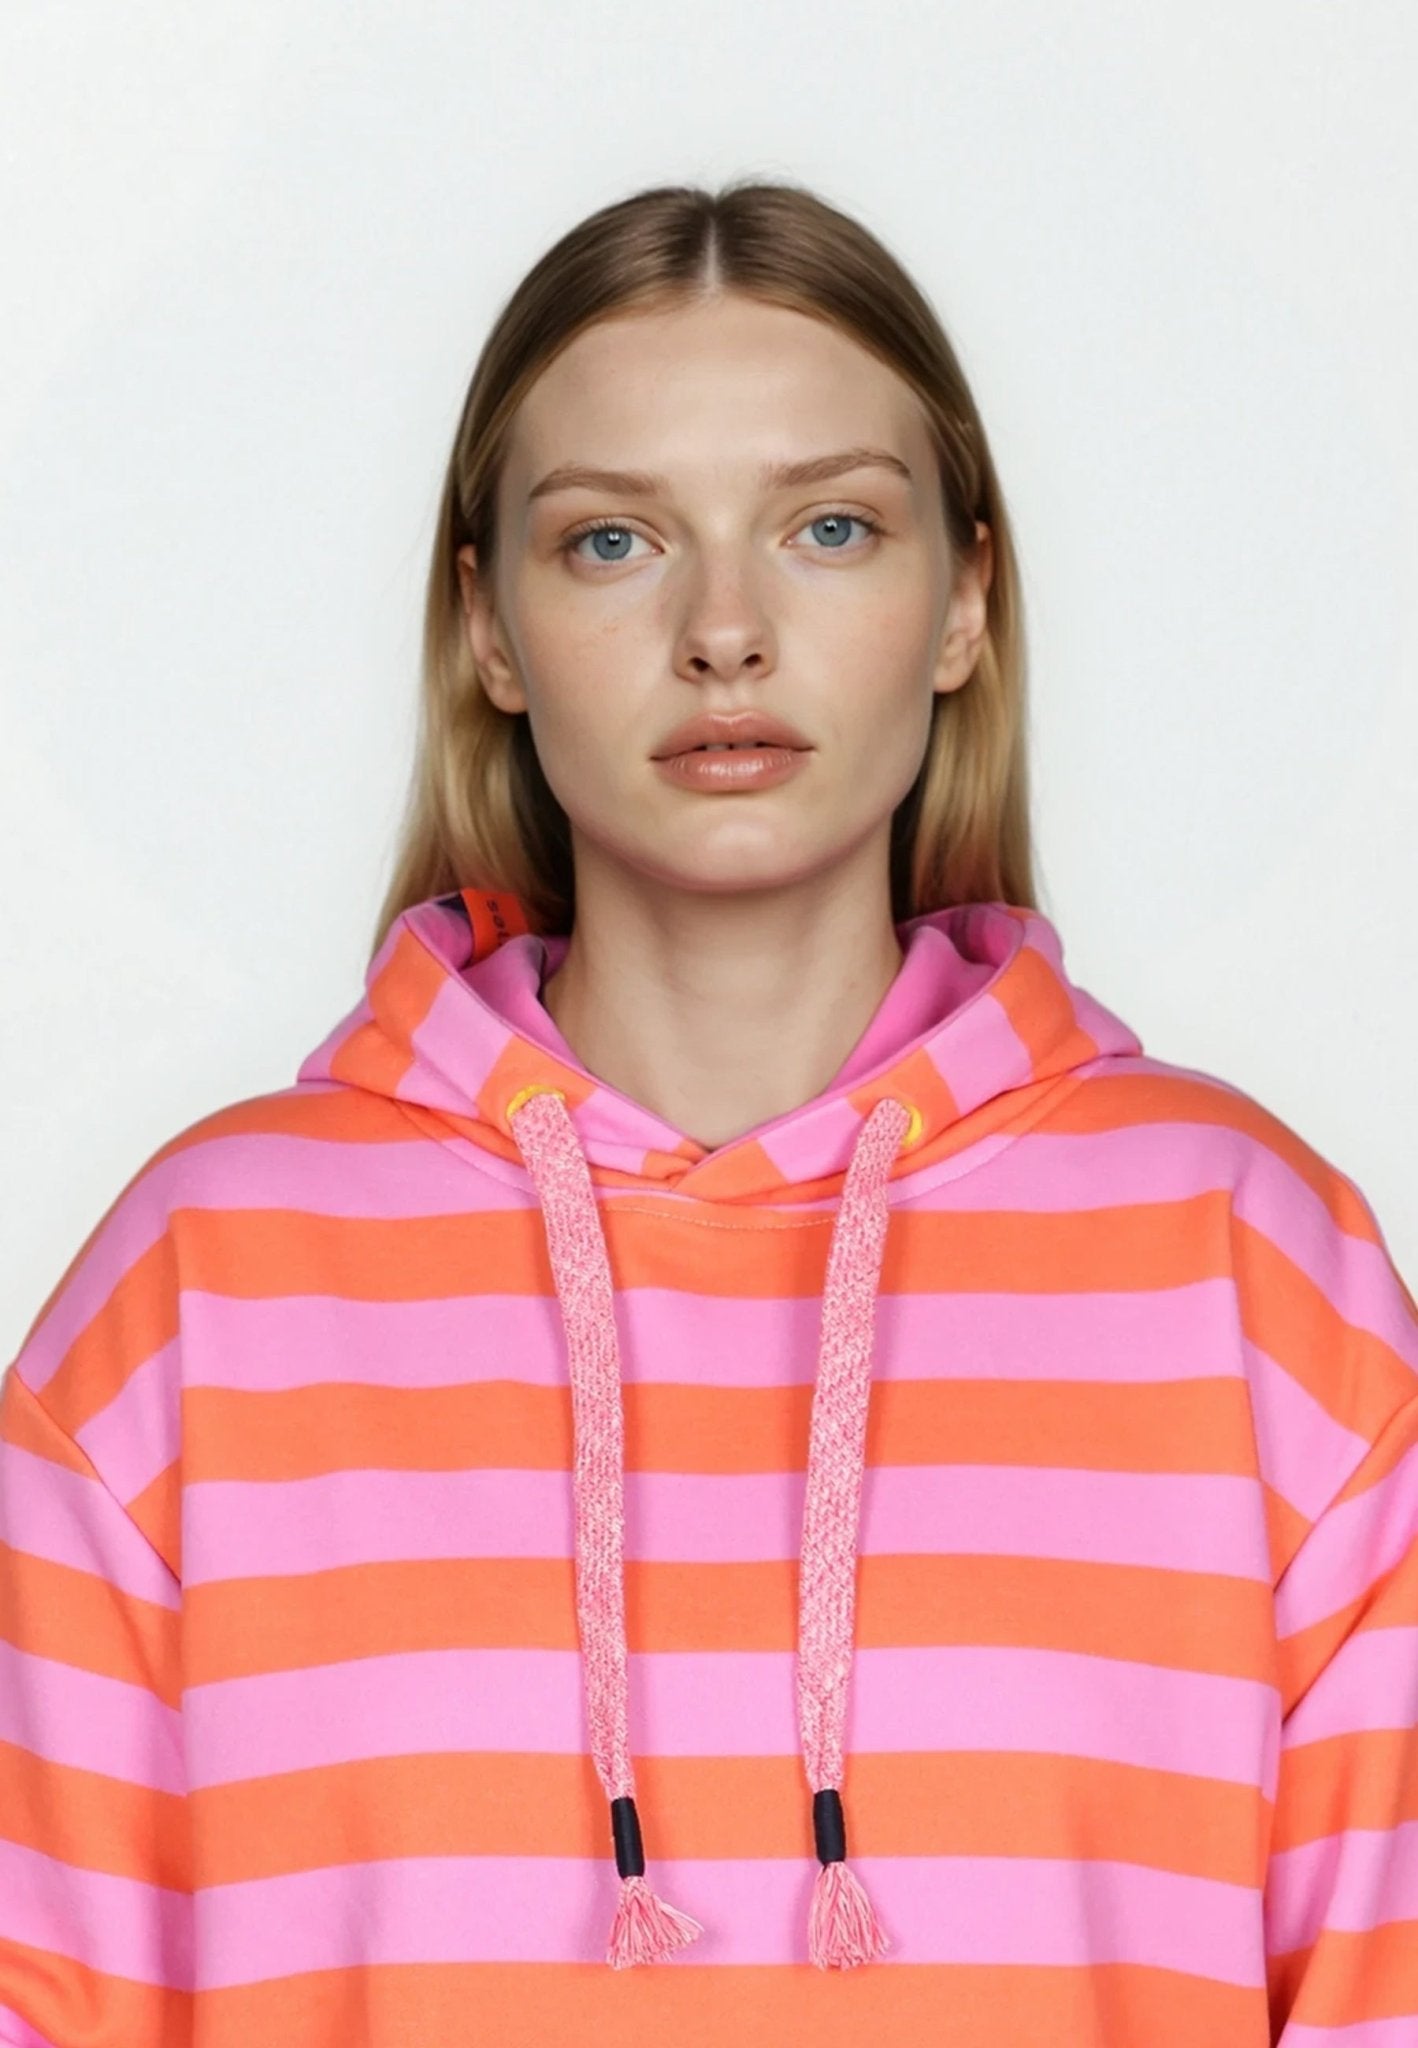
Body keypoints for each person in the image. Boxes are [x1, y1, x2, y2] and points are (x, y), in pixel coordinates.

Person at [2, 177, 1415, 2048]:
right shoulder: (202, 1285)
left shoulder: (1250, 1270)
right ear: (489, 628)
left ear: (962, 603)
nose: (724, 631)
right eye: (611, 542)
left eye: (829, 527)